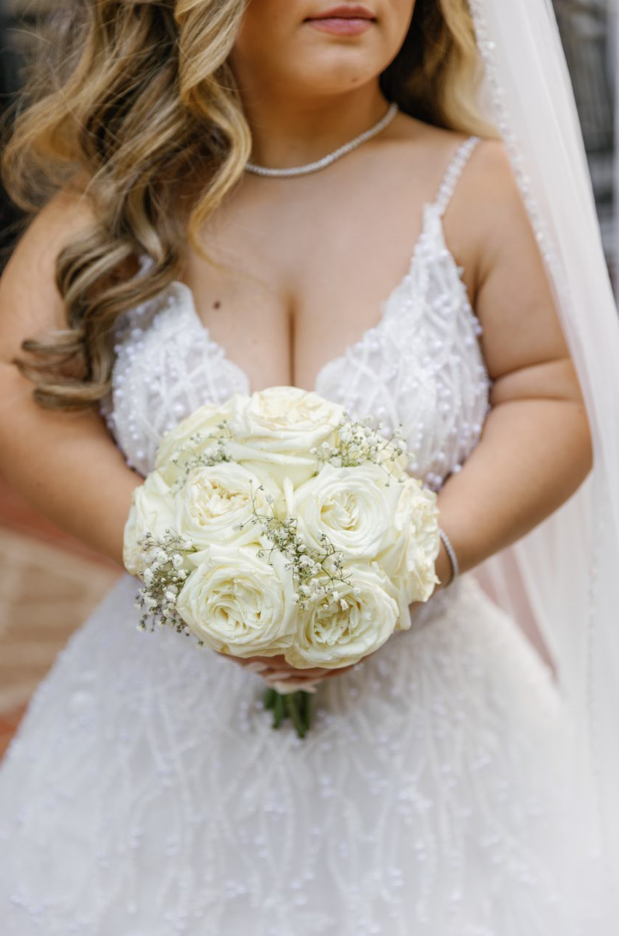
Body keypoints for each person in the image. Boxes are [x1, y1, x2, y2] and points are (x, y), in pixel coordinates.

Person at [0, 0, 617, 932]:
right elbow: (27, 408)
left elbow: (552, 395)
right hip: (159, 722)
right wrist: (184, 562)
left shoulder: (482, 188)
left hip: (430, 739)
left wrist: (406, 564)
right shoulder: (114, 205)